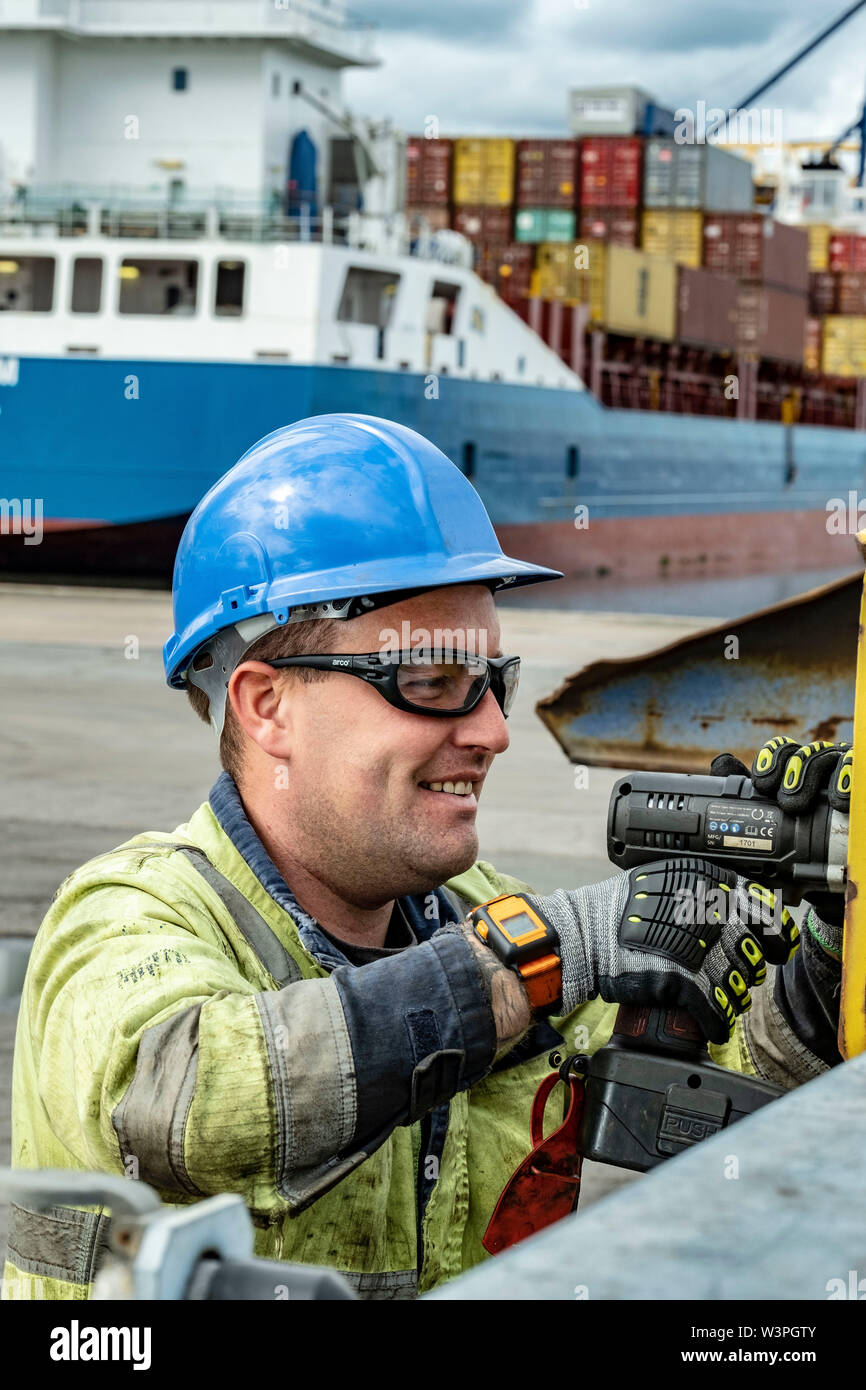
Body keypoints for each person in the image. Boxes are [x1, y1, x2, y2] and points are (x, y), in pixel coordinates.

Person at [4, 414, 849, 1301]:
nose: (492, 731)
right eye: (432, 682)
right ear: (265, 708)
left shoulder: (478, 915)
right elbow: (183, 1105)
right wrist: (551, 952)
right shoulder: (127, 915)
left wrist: (824, 945)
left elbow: (721, 1099)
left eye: (495, 683)